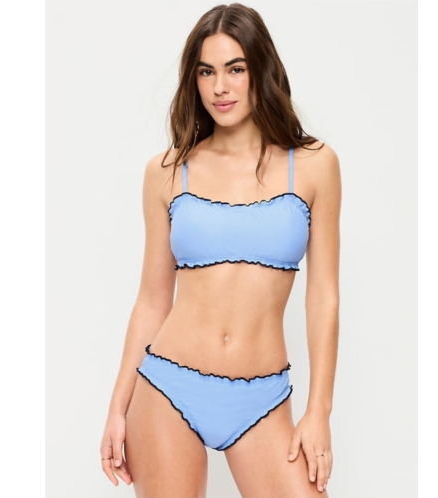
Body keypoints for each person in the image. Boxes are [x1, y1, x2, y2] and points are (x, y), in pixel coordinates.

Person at [100, 3, 341, 497]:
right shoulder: (167, 172)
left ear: (261, 70)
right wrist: (117, 408)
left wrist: (319, 410)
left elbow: (324, 298)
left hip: (263, 398)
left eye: (235, 69)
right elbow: (151, 300)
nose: (219, 87)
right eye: (206, 72)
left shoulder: (314, 165)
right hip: (168, 388)